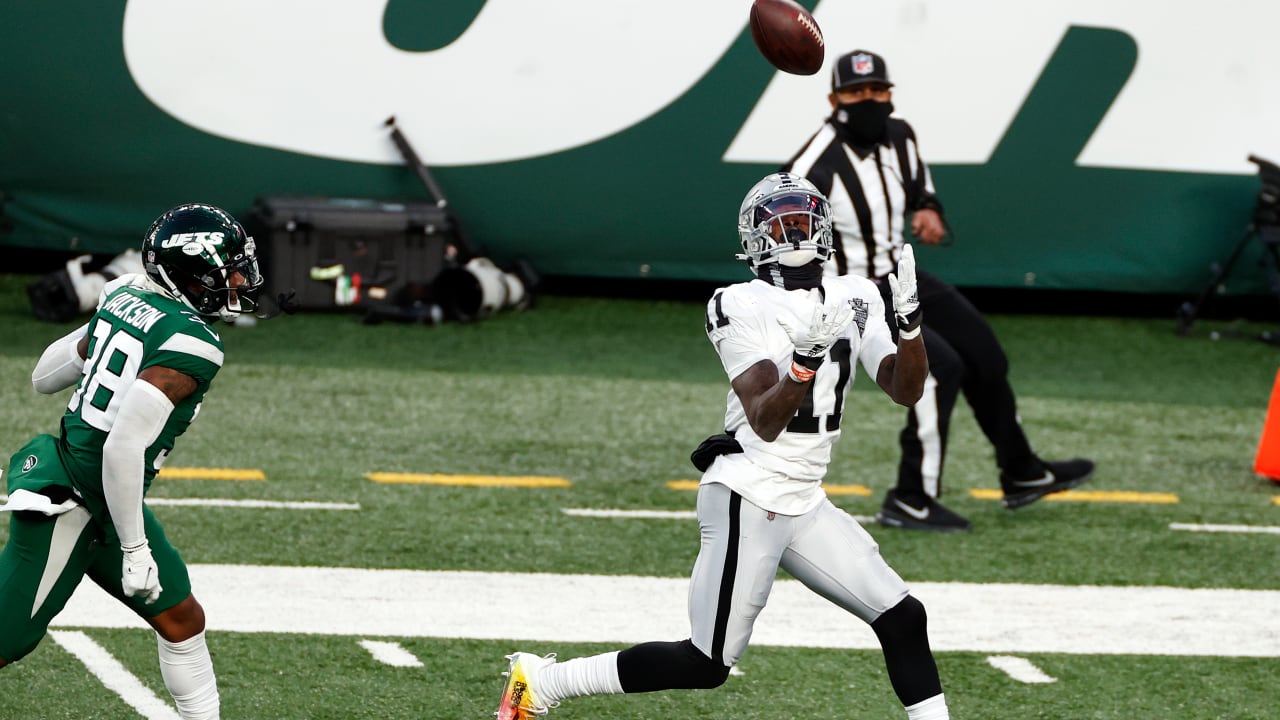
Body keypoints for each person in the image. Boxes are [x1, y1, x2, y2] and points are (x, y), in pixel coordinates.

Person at [495, 173, 951, 720]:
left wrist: (909, 328)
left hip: (804, 498)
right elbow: (764, 418)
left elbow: (906, 389)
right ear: (755, 237)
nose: (797, 231)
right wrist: (803, 365)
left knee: (903, 616)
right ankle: (540, 683)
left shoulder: (856, 295)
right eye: (783, 222)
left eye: (806, 219)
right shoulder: (737, 302)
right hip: (749, 492)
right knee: (705, 664)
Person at [784, 49, 1095, 531]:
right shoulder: (812, 166)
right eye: (856, 92)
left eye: (877, 90)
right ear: (834, 98)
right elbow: (791, 244)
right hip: (854, 292)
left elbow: (919, 190)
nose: (868, 100)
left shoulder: (900, 134)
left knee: (985, 354)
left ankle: (1022, 472)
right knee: (936, 369)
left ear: (890, 94)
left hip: (899, 274)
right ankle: (912, 497)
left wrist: (929, 210)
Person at [0, 203, 265, 719]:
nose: (239, 276)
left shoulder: (124, 293)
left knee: (181, 620)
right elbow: (122, 447)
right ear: (193, 275)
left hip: (103, 498)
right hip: (74, 502)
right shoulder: (194, 343)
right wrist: (135, 546)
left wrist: (99, 328)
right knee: (6, 640)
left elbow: (43, 377)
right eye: (226, 266)